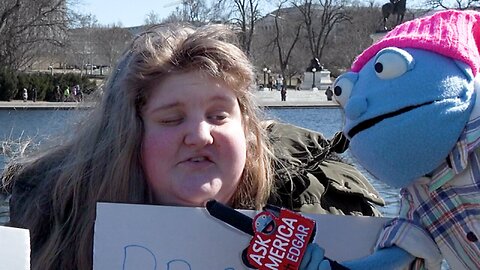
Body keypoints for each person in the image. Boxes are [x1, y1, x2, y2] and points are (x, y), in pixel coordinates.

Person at [2, 23, 382, 270]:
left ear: (248, 134)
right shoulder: (54, 236)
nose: (200, 135)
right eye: (171, 119)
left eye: (219, 116)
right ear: (128, 140)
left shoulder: (329, 225)